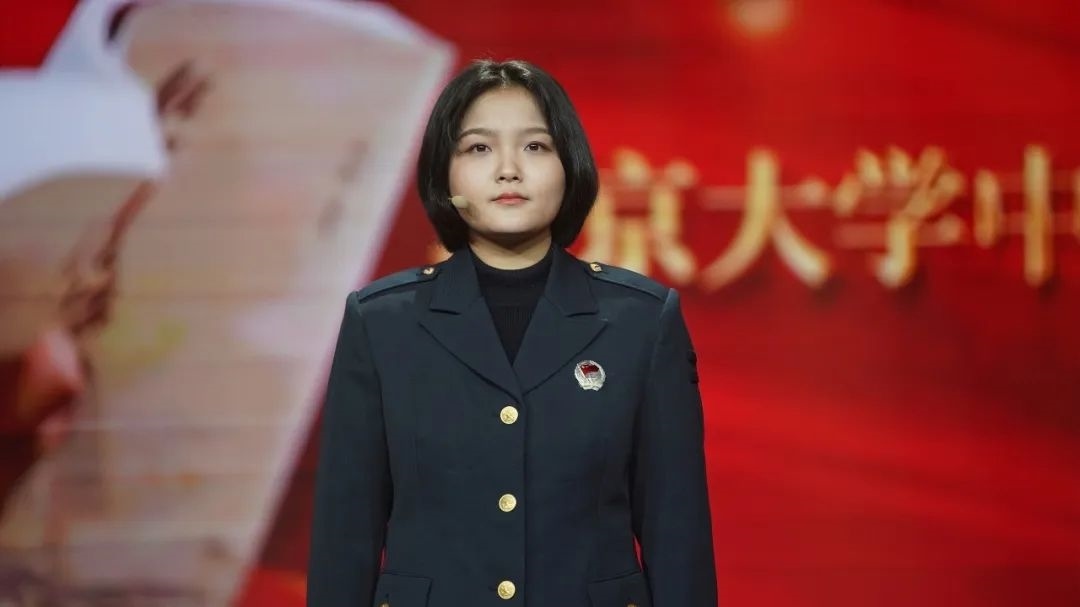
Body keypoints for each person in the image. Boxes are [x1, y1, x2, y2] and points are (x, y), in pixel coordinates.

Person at [307, 59, 716, 606]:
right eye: (478, 148)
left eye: (535, 146)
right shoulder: (381, 323)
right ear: (444, 175)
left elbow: (677, 535)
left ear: (569, 165)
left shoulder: (641, 321)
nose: (508, 170)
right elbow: (345, 538)